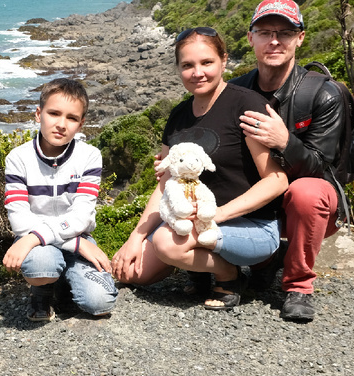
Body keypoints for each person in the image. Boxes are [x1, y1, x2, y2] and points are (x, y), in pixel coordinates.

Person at [113, 28, 288, 310]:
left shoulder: (245, 105)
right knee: (134, 273)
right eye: (188, 65)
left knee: (167, 244)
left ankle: (229, 274)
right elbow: (166, 183)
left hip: (251, 226)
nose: (198, 72)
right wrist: (135, 237)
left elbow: (277, 181)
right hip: (193, 223)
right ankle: (200, 266)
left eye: (206, 62)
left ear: (224, 61)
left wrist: (216, 215)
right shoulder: (179, 115)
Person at [230, 0, 346, 322]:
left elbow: (324, 168)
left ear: (300, 37)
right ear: (251, 37)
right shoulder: (235, 91)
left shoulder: (324, 94)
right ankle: (263, 260)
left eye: (285, 32)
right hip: (259, 198)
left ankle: (299, 286)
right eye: (265, 32)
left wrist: (285, 141)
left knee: (306, 193)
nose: (275, 41)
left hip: (309, 205)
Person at [2, 78, 118, 321]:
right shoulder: (18, 158)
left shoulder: (89, 156)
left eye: (72, 118)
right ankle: (42, 289)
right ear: (38, 114)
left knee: (100, 303)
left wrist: (76, 242)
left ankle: (63, 283)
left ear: (81, 123)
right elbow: (20, 222)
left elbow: (81, 217)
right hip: (37, 242)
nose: (61, 124)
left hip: (73, 236)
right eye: (53, 113)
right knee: (40, 266)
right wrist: (76, 245)